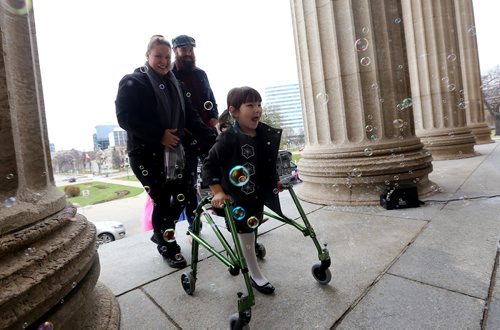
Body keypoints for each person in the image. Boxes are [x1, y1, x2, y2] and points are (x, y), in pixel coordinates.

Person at [115, 35, 216, 268]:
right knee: (161, 199)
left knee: (183, 195)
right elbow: (125, 118)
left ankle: (161, 232)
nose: (163, 61)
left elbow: (191, 118)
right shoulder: (133, 81)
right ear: (147, 56)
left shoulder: (176, 84)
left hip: (174, 152)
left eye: (167, 57)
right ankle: (168, 247)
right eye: (158, 56)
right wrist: (159, 134)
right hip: (145, 154)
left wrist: (217, 141)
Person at [203, 86, 284, 294]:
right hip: (236, 196)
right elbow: (209, 165)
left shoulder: (262, 135)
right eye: (250, 105)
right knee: (246, 230)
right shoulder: (228, 137)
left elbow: (267, 164)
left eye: (259, 104)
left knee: (251, 226)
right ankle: (255, 274)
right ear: (234, 111)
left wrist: (274, 181)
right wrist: (218, 191)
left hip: (255, 194)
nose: (257, 109)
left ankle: (243, 251)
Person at [171, 34, 218, 231]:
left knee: (220, 173)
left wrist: (214, 117)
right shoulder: (170, 75)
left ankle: (235, 214)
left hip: (206, 134)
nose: (188, 53)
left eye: (191, 49)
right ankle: (194, 226)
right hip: (185, 138)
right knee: (187, 185)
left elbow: (210, 98)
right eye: (184, 50)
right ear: (175, 51)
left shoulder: (201, 74)